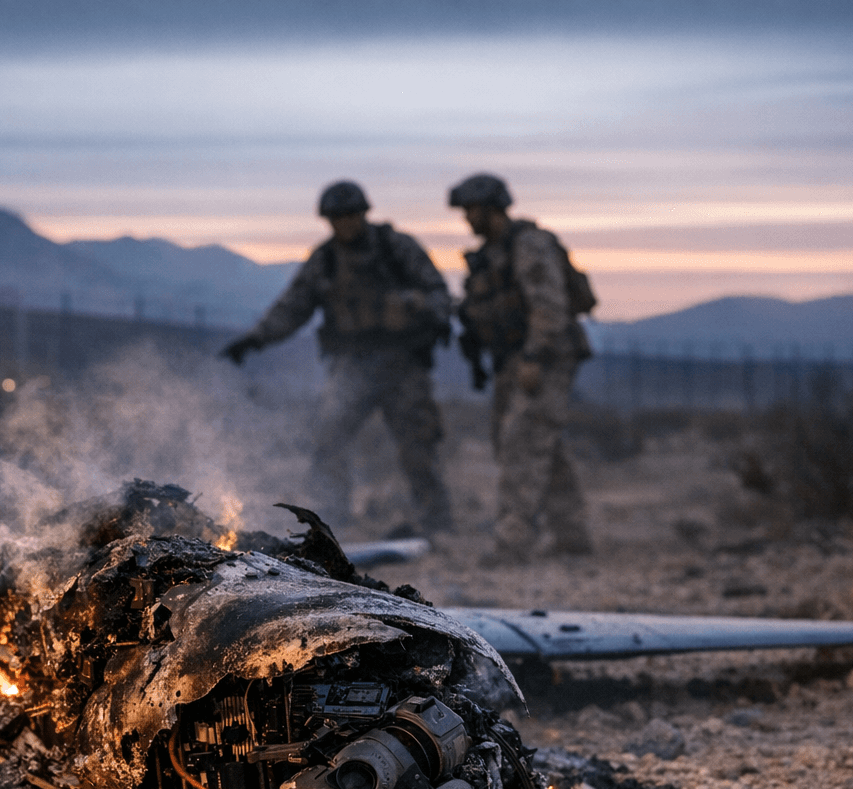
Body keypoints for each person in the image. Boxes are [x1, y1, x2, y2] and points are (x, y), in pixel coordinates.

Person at [221, 180, 454, 533]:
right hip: (352, 365)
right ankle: (332, 516)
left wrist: (411, 306)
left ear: (363, 214)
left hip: (403, 364)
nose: (344, 224)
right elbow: (293, 305)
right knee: (328, 436)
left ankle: (436, 520)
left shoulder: (397, 248)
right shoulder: (326, 260)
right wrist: (256, 339)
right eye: (336, 218)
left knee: (417, 444)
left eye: (349, 215)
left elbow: (439, 295)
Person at [449, 173, 595, 566]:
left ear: (491, 207)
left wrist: (535, 357)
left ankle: (511, 544)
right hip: (515, 359)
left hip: (542, 356)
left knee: (522, 444)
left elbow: (549, 306)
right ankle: (571, 534)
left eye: (471, 210)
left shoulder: (528, 245)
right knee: (537, 442)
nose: (467, 219)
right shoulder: (493, 254)